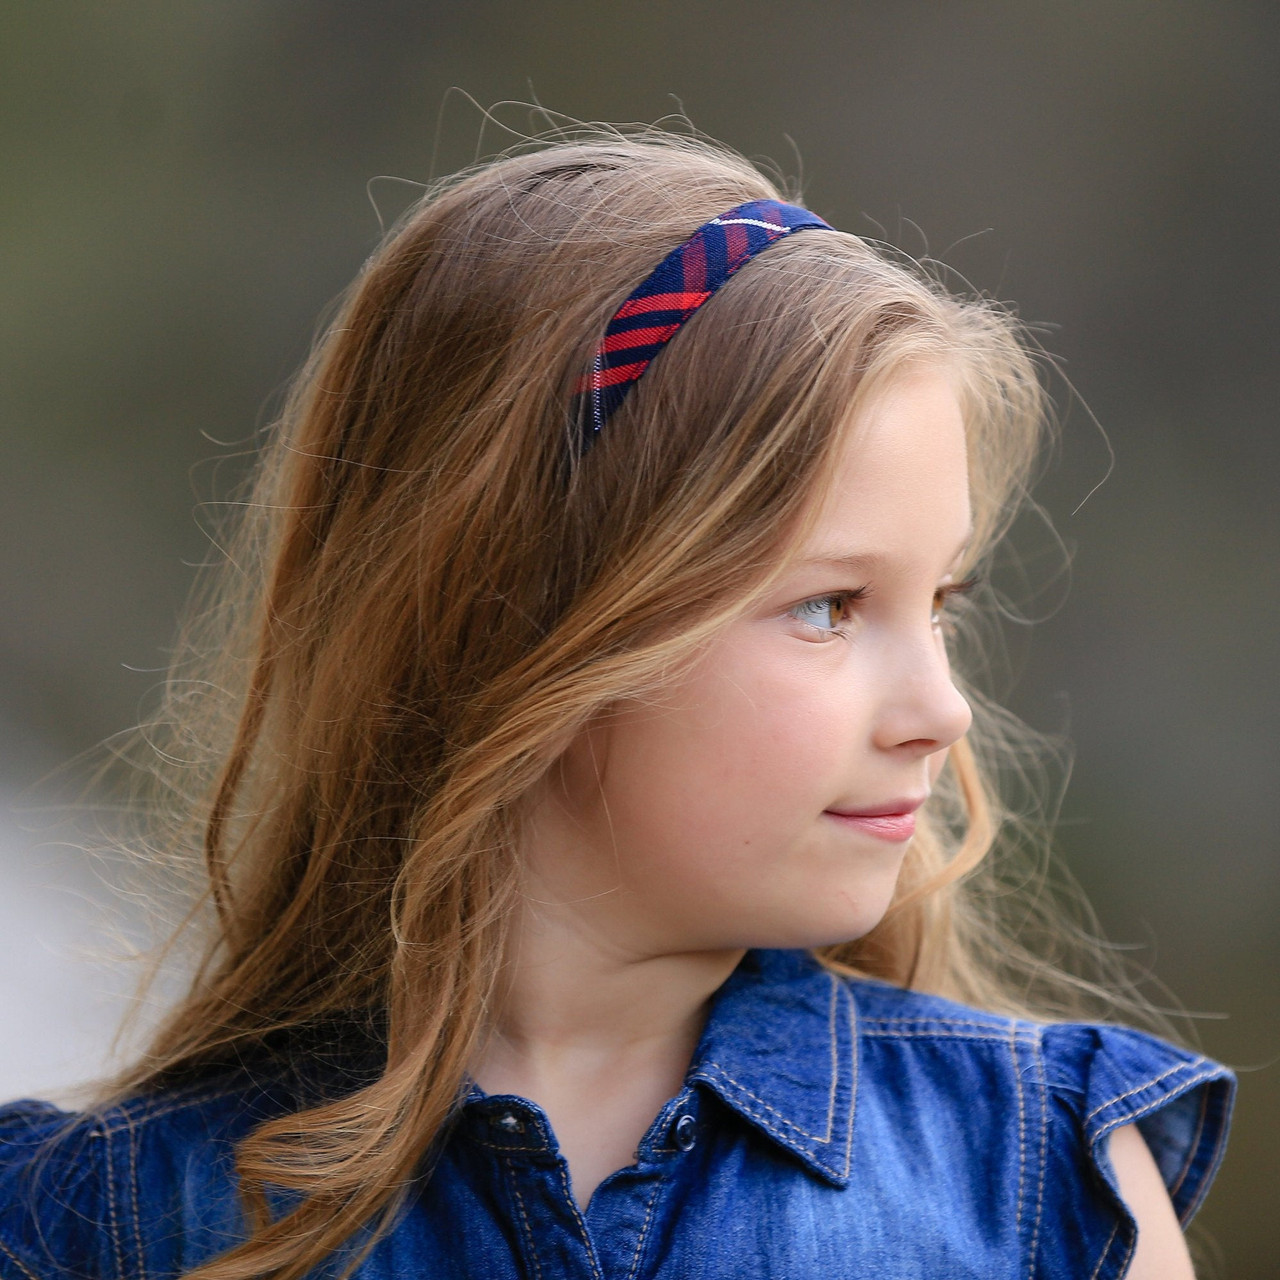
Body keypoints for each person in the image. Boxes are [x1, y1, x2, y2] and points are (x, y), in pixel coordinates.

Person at [0, 130, 1233, 1280]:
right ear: (518, 616)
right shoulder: (104, 1218)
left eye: (940, 605)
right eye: (829, 605)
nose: (940, 710)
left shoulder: (1047, 1183)